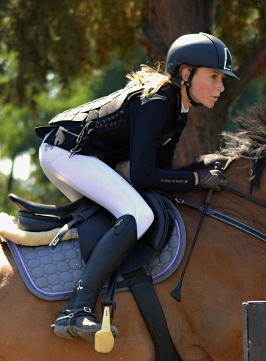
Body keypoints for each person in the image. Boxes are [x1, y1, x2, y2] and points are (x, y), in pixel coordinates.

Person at [36, 32, 238, 342]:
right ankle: (77, 308)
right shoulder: (157, 103)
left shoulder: (178, 109)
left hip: (75, 154)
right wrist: (197, 179)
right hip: (67, 152)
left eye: (222, 79)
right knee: (138, 213)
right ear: (186, 74)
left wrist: (197, 175)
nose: (221, 86)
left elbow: (160, 173)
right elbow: (144, 177)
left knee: (124, 216)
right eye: (214, 76)